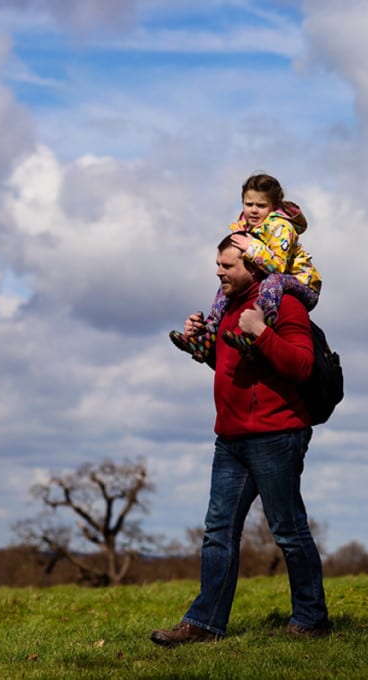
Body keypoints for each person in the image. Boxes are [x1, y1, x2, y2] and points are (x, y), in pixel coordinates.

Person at [151, 233, 330, 647]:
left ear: (253, 265)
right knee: (217, 531)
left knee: (287, 530)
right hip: (230, 438)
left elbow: (302, 366)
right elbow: (230, 364)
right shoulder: (227, 307)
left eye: (227, 265)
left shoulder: (285, 305)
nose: (218, 271)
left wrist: (262, 332)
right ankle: (205, 624)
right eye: (218, 264)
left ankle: (311, 617)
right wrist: (201, 344)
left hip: (277, 435)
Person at [169, 172, 322, 362]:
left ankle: (258, 327)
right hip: (270, 282)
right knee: (228, 284)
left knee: (273, 281)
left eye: (261, 205)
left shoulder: (282, 227)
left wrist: (252, 248)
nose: (254, 210)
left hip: (301, 284)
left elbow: (279, 268)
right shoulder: (244, 227)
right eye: (249, 204)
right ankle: (206, 336)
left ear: (274, 207)